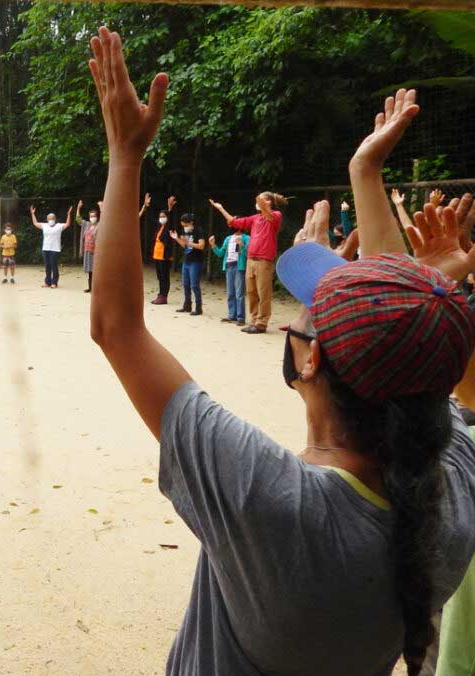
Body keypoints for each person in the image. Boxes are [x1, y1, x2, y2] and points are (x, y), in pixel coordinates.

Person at [89, 31, 475, 676]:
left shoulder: (270, 502)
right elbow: (417, 355)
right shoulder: (450, 488)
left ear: (309, 358)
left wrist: (126, 153)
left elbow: (115, 326)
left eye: (313, 305)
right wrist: (376, 194)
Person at [208, 190, 286, 334]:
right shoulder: (255, 218)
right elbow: (234, 222)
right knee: (251, 292)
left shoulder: (276, 215)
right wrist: (221, 208)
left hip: (264, 260)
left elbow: (269, 215)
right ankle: (254, 321)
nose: (257, 203)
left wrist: (262, 200)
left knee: (264, 293)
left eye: (261, 201)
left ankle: (261, 324)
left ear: (268, 202)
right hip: (250, 260)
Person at [209, 226, 249, 325]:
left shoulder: (246, 238)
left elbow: (248, 253)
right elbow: (221, 253)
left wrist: (242, 245)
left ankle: (241, 318)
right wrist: (213, 245)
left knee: (239, 293)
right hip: (228, 265)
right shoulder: (228, 238)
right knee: (230, 292)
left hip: (239, 266)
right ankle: (232, 315)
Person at [169, 214, 205, 315]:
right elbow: (184, 245)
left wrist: (189, 243)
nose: (184, 227)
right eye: (183, 225)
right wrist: (176, 238)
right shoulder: (185, 231)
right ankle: (187, 305)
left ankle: (198, 308)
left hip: (196, 261)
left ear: (191, 222)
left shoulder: (198, 230)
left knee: (194, 285)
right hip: (187, 260)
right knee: (186, 284)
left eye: (185, 225)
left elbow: (201, 246)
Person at [29, 205, 72, 288]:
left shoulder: (59, 226)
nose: (50, 220)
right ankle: (47, 282)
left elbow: (67, 224)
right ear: (47, 219)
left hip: (55, 249)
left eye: (52, 218)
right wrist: (32, 214)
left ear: (55, 219)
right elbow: (35, 223)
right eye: (49, 218)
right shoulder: (44, 225)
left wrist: (69, 214)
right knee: (47, 266)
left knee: (53, 265)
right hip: (45, 249)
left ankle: (54, 282)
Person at [149, 196, 179, 305]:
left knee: (164, 276)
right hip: (157, 255)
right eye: (160, 216)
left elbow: (170, 221)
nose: (161, 218)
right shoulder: (159, 227)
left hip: (165, 256)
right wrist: (146, 206)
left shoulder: (169, 227)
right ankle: (160, 294)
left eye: (163, 216)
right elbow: (152, 218)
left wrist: (169, 208)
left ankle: (164, 296)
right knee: (159, 276)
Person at [77, 200, 100, 293]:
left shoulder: (100, 224)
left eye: (94, 216)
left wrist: (101, 208)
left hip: (96, 252)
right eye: (91, 216)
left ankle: (97, 288)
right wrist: (78, 208)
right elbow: (78, 219)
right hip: (87, 251)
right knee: (90, 271)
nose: (92, 218)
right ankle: (90, 287)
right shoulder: (86, 224)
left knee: (97, 271)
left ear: (97, 217)